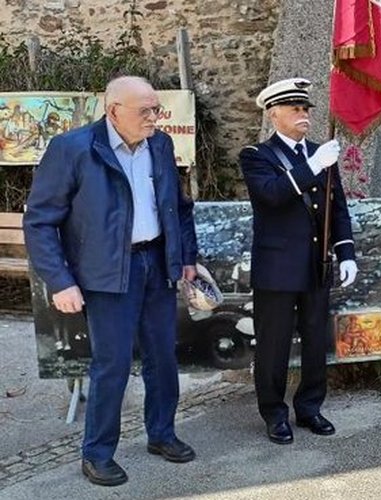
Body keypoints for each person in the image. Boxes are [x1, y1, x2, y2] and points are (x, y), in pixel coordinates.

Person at [24, 76, 199, 486]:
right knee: (112, 365)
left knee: (163, 357)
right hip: (106, 276)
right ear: (114, 110)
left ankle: (162, 434)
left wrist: (186, 257)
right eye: (146, 111)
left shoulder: (160, 144)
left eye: (157, 109)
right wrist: (60, 280)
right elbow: (40, 221)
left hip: (156, 265)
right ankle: (98, 453)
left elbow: (178, 207)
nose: (155, 118)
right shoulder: (73, 149)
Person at [240, 78, 357, 445]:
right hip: (277, 269)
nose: (303, 114)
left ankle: (309, 407)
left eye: (306, 108)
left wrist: (346, 252)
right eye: (294, 108)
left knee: (314, 342)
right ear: (274, 114)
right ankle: (274, 413)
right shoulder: (256, 156)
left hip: (316, 265)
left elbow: (336, 207)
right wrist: (313, 167)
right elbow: (272, 195)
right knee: (273, 346)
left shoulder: (321, 152)